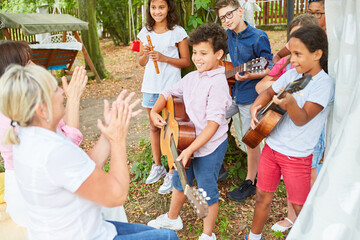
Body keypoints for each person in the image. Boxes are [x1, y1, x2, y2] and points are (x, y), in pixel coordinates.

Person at [0, 64, 178, 240]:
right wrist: (118, 141)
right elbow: (117, 195)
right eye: (55, 90)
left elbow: (84, 166)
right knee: (168, 237)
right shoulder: (52, 151)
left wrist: (109, 131)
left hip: (85, 229)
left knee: (167, 235)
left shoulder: (29, 134)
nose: (62, 92)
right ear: (41, 109)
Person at [243, 25, 334, 240]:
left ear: (317, 54)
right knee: (261, 197)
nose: (292, 60)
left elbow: (302, 119)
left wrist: (290, 103)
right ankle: (254, 236)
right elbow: (268, 92)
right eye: (291, 53)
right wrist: (256, 105)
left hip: (297, 156)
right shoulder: (293, 74)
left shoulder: (323, 85)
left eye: (298, 54)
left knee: (300, 206)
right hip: (272, 149)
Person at [147, 23, 232, 240]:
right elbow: (168, 91)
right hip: (187, 142)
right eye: (194, 52)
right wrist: (155, 111)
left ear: (219, 54)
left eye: (204, 53)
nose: (197, 58)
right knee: (179, 179)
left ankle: (207, 234)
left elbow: (213, 126)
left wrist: (190, 151)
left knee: (205, 190)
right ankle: (173, 217)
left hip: (209, 146)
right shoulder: (193, 77)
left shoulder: (219, 84)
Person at [0, 40, 87, 227]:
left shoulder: (12, 104)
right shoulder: (28, 113)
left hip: (26, 200)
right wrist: (73, 100)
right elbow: (68, 150)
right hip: (39, 208)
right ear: (14, 73)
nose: (35, 66)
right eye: (29, 62)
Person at [214, 0, 273, 202]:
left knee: (251, 139)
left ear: (240, 11)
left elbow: (270, 68)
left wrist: (250, 75)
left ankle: (251, 181)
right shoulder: (229, 34)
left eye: (229, 14)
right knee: (214, 119)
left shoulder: (258, 37)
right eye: (223, 18)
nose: (227, 20)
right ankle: (216, 166)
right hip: (233, 93)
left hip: (250, 97)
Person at [138, 0, 191, 195]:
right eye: (153, 7)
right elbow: (142, 62)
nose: (157, 11)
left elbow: (186, 61)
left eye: (161, 7)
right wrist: (145, 54)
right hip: (151, 86)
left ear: (168, 8)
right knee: (154, 126)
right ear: (149, 9)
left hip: (171, 88)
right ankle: (158, 164)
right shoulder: (146, 32)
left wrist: (164, 58)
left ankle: (171, 169)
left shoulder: (177, 31)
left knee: (171, 128)